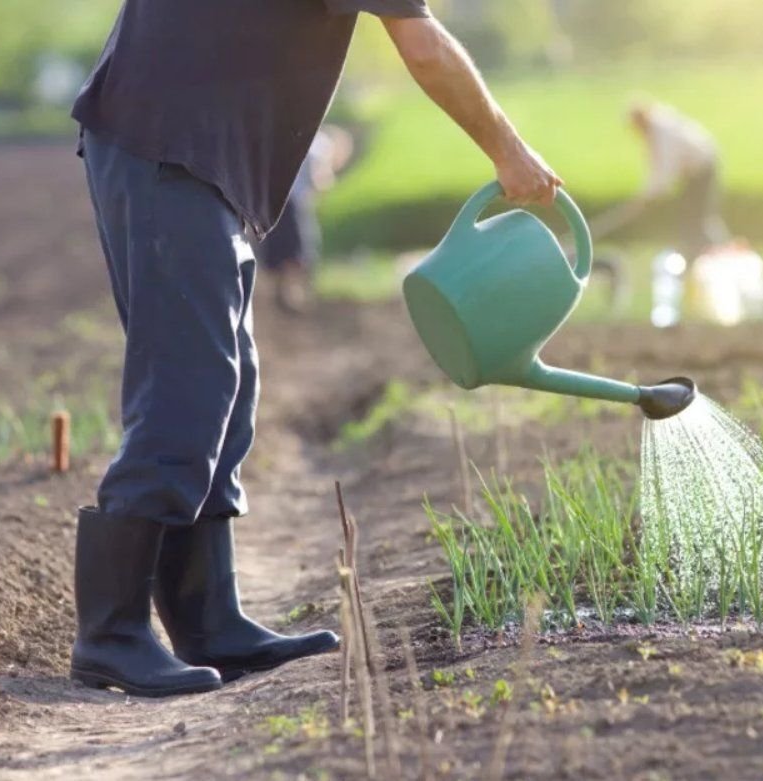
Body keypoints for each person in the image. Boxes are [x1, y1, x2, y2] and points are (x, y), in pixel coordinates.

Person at [69, 0, 561, 698]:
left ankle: (209, 619)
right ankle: (111, 633)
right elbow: (422, 48)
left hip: (190, 151)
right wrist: (509, 151)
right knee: (190, 383)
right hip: (167, 145)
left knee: (226, 384)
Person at [593, 101, 729, 261]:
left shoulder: (663, 132)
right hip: (694, 171)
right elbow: (656, 169)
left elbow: (665, 170)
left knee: (697, 216)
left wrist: (649, 196)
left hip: (703, 167)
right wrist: (647, 194)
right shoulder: (655, 130)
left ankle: (714, 253)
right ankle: (703, 252)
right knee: (691, 215)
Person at [256, 127, 352, 314]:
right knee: (299, 251)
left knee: (281, 250)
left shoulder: (297, 136)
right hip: (295, 202)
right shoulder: (321, 145)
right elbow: (320, 180)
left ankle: (283, 293)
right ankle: (294, 294)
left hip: (274, 202)